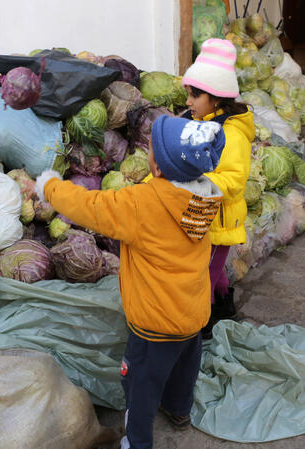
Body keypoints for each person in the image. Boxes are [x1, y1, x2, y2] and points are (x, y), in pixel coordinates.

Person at [35, 115, 226, 449]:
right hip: (192, 314)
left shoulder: (143, 203)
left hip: (155, 325)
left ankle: (136, 442)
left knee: (139, 385)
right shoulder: (202, 198)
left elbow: (90, 206)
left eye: (150, 149)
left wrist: (50, 187)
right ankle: (179, 410)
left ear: (159, 167)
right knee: (184, 367)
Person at [181, 38, 255, 337]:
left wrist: (196, 184)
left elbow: (234, 180)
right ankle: (226, 307)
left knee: (203, 277)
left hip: (218, 222)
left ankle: (202, 329)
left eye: (194, 96)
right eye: (188, 94)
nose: (188, 102)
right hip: (199, 214)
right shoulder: (194, 120)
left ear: (217, 99)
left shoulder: (232, 135)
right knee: (212, 271)